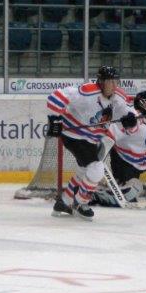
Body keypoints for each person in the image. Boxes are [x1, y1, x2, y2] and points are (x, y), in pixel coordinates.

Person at [45, 66, 134, 221]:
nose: (114, 85)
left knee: (84, 170)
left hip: (92, 139)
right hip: (74, 135)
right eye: (110, 81)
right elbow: (55, 97)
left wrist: (130, 120)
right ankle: (80, 203)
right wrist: (55, 119)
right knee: (96, 168)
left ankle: (64, 202)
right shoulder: (87, 92)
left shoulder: (118, 96)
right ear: (101, 81)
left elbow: (127, 115)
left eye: (116, 81)